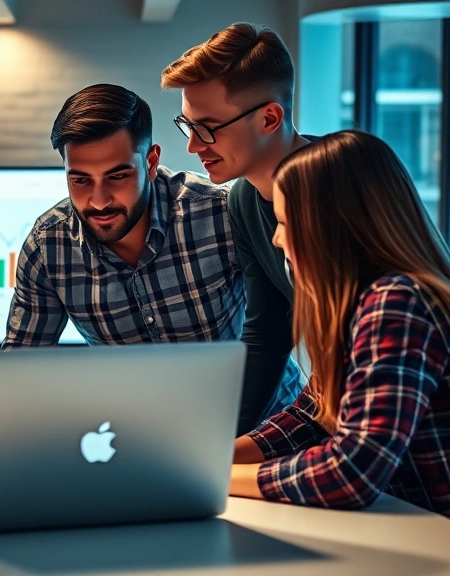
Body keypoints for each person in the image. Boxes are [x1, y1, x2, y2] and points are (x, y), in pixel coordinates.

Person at [229, 131, 450, 541]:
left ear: (330, 227)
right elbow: (309, 417)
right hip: (426, 539)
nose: (276, 238)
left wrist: (216, 479)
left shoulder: (398, 303)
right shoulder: (368, 303)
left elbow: (353, 471)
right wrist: (208, 460)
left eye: (285, 222)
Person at [3, 84, 291, 429]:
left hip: (266, 426)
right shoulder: (48, 246)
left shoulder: (220, 212)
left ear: (151, 162)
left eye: (117, 176)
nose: (98, 200)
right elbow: (20, 370)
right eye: (80, 180)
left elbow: (273, 330)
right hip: (148, 436)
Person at [161, 22, 307, 433]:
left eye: (208, 128)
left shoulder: (343, 180)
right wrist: (223, 442)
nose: (193, 145)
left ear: (269, 118)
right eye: (188, 125)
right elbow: (267, 332)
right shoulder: (242, 199)